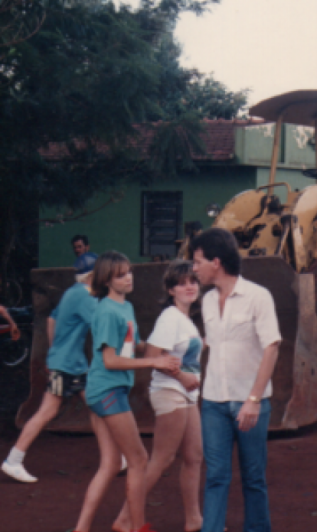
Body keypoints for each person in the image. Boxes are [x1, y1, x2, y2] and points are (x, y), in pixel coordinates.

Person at [75, 252, 180, 532]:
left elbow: (131, 344)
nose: (129, 277)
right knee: (139, 460)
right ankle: (136, 527)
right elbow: (110, 360)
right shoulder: (108, 311)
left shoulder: (125, 307)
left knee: (110, 465)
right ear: (107, 280)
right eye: (121, 274)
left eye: (129, 271)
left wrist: (157, 348)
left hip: (104, 390)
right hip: (108, 390)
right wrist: (154, 361)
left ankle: (81, 529)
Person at [191, 228, 281, 532]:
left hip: (250, 403)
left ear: (216, 262)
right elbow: (214, 345)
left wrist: (253, 400)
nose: (194, 268)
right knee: (215, 476)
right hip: (213, 403)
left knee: (253, 478)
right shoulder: (205, 302)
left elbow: (272, 347)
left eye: (197, 261)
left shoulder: (258, 296)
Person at [111, 260, 205, 532]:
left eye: (193, 281)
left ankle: (194, 520)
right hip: (170, 392)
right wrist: (182, 376)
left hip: (187, 394)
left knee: (194, 456)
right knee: (162, 459)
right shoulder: (170, 318)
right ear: (170, 289)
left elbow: (179, 354)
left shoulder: (184, 319)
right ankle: (125, 518)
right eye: (182, 283)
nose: (189, 287)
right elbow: (153, 357)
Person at [3, 257, 97, 483]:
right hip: (69, 366)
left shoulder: (71, 293)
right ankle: (13, 460)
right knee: (50, 412)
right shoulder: (86, 296)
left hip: (69, 364)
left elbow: (51, 320)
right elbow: (102, 323)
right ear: (93, 275)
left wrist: (56, 350)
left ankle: (118, 457)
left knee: (97, 408)